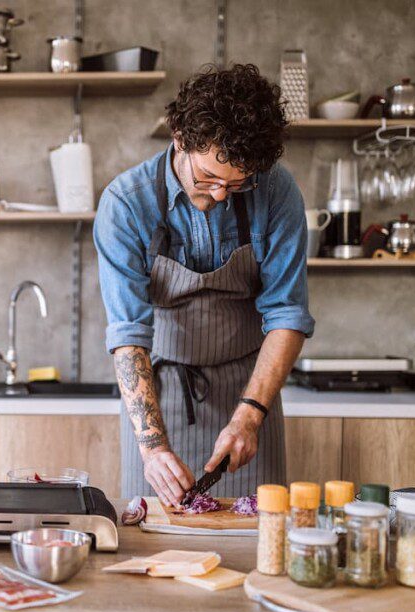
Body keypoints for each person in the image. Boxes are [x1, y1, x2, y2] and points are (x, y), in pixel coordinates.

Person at [94, 64, 313, 506]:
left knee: (257, 535)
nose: (219, 196)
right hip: (160, 393)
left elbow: (287, 314)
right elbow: (128, 335)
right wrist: (153, 447)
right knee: (153, 543)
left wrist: (250, 416)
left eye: (236, 185)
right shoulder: (125, 203)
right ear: (179, 137)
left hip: (251, 391)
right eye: (207, 178)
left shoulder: (276, 192)